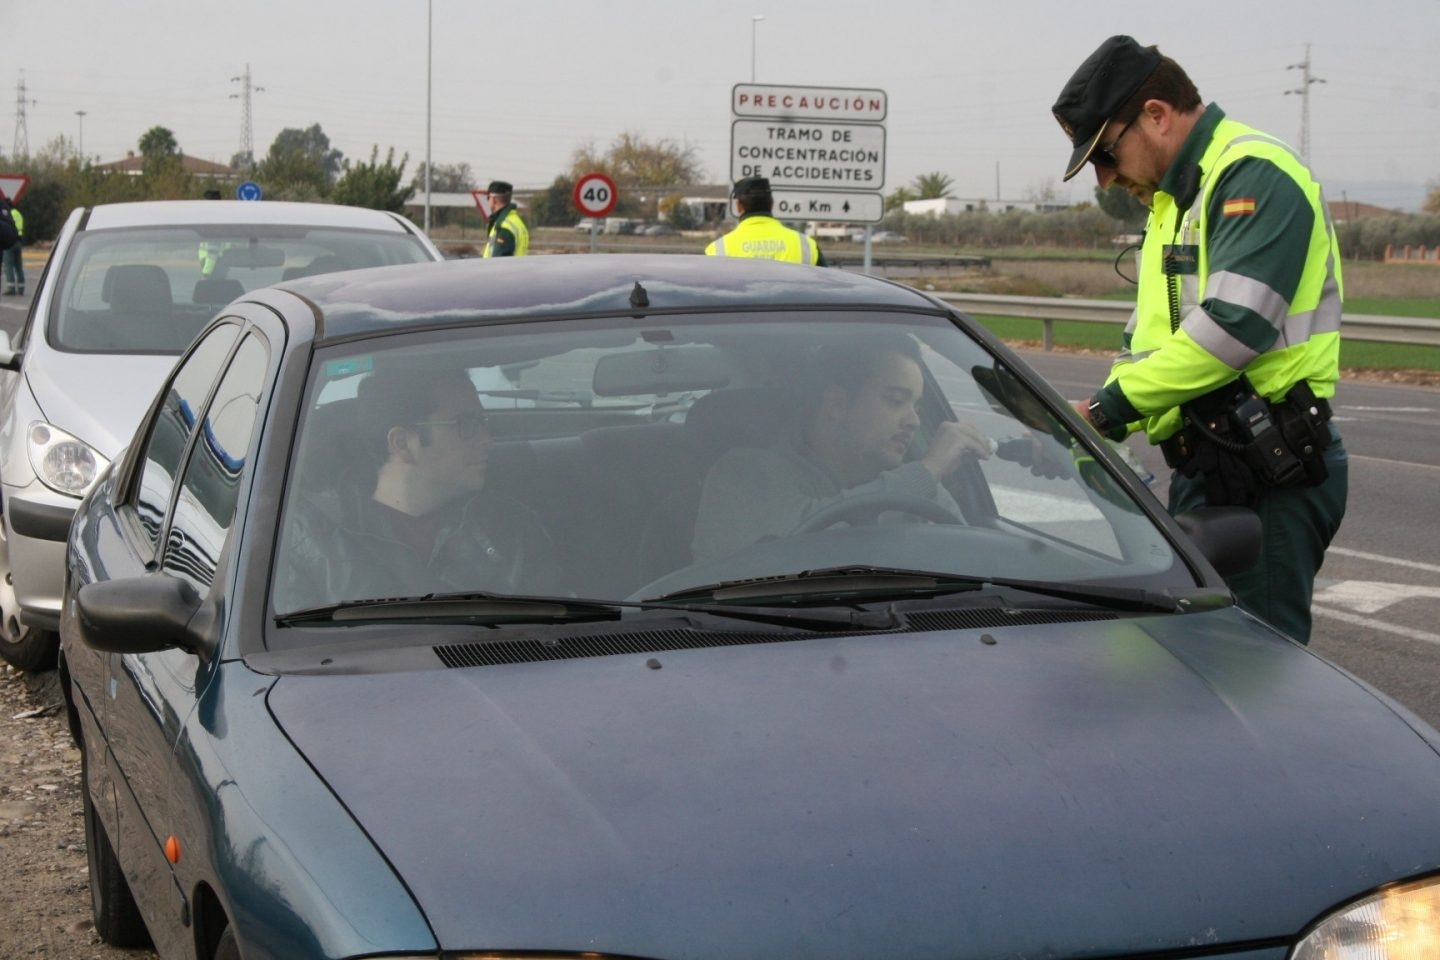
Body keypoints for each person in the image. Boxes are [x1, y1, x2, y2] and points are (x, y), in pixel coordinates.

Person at [1051, 35, 1347, 643]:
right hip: (1212, 465)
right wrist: (1084, 424)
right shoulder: (1172, 202)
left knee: (1254, 672)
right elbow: (1150, 338)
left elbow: (1235, 327)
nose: (1104, 179)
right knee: (1205, 667)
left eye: (1105, 152)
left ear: (1156, 115)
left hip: (1269, 471)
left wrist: (1106, 411)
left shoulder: (1252, 173)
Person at [276, 364, 562, 610]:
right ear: (402, 443)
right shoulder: (306, 539)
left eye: (483, 422)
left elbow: (557, 634)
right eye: (466, 424)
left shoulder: (512, 527)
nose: (488, 439)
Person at [691, 337, 991, 562]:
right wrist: (926, 472)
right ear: (837, 403)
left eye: (917, 407)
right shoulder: (743, 476)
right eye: (896, 400)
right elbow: (802, 550)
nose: (913, 421)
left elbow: (972, 564)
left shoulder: (920, 491)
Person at [704, 176, 826, 265]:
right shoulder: (806, 246)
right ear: (772, 204)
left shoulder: (717, 251)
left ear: (739, 206)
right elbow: (829, 290)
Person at [482, 180, 529, 257]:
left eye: (488, 198)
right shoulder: (517, 222)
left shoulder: (504, 227)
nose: (488, 201)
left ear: (493, 200)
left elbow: (498, 263)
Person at [0, 191, 22, 296]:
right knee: (18, 266)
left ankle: (12, 288)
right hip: (17, 241)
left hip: (10, 243)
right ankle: (20, 288)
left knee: (10, 266)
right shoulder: (13, 212)